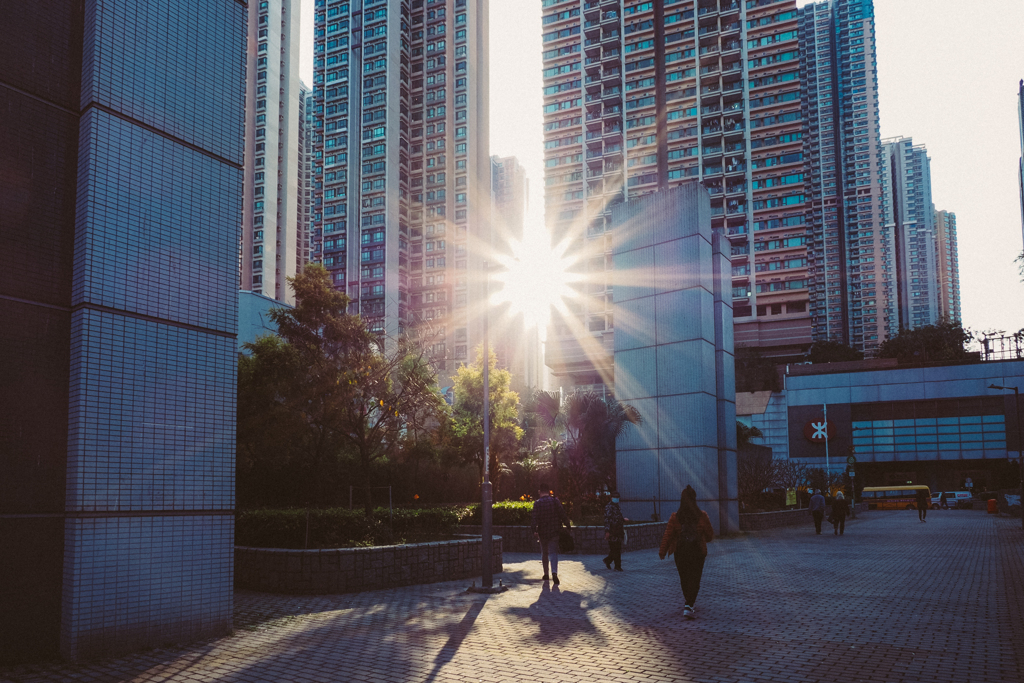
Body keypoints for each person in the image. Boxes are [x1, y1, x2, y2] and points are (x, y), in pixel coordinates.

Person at [658, 485, 714, 619]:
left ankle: (688, 602)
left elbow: (668, 534)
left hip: (680, 551)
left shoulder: (675, 517)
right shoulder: (702, 516)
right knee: (695, 578)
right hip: (697, 551)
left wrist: (662, 551)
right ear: (695, 499)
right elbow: (710, 535)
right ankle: (689, 604)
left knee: (684, 578)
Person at [531, 484, 570, 586]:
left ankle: (546, 574)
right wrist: (567, 525)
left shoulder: (537, 503)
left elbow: (534, 518)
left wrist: (534, 530)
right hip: (554, 531)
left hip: (543, 532)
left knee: (544, 552)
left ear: (540, 492)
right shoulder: (555, 501)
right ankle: (554, 572)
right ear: (549, 491)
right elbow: (562, 513)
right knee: (553, 552)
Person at [603, 491, 627, 571]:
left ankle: (615, 565)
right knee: (614, 549)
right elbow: (607, 520)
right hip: (612, 531)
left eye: (618, 498)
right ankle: (613, 563)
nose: (617, 499)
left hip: (618, 530)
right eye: (615, 497)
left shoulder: (616, 506)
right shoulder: (609, 507)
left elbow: (618, 517)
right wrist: (607, 531)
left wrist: (623, 519)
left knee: (617, 548)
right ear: (611, 498)